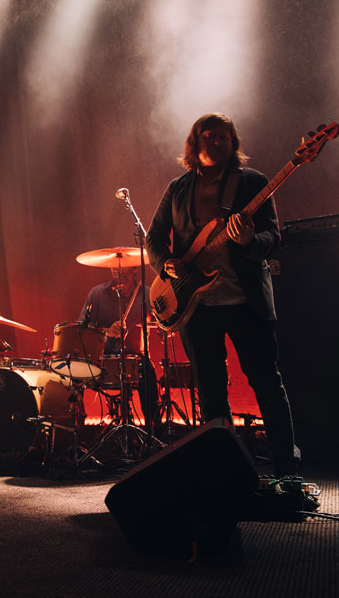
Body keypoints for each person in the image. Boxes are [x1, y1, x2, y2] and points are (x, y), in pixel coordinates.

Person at [145, 113, 299, 476]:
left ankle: (287, 472)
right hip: (196, 306)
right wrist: (165, 264)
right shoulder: (178, 188)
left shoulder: (253, 183)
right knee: (211, 394)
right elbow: (154, 238)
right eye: (209, 136)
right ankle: (227, 476)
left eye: (224, 137)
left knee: (267, 385)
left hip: (246, 302)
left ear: (233, 143)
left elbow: (273, 238)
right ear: (194, 143)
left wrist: (249, 241)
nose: (216, 143)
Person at [79, 265, 157, 424]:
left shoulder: (148, 294)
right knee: (75, 372)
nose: (117, 271)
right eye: (113, 268)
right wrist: (107, 332)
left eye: (122, 267)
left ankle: (154, 428)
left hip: (136, 360)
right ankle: (79, 430)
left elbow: (161, 322)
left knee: (148, 370)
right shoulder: (98, 293)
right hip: (103, 360)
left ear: (134, 269)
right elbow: (82, 330)